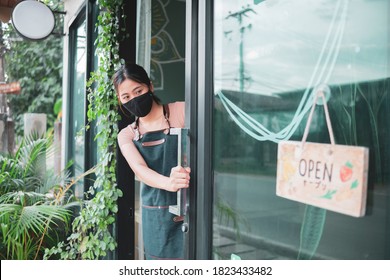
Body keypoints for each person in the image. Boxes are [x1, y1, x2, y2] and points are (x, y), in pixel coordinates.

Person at [113, 63, 190, 260]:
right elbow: (139, 169)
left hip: (188, 207)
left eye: (138, 91)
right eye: (126, 97)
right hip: (155, 215)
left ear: (150, 86)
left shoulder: (181, 112)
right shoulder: (126, 135)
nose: (134, 99)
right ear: (120, 101)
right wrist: (169, 183)